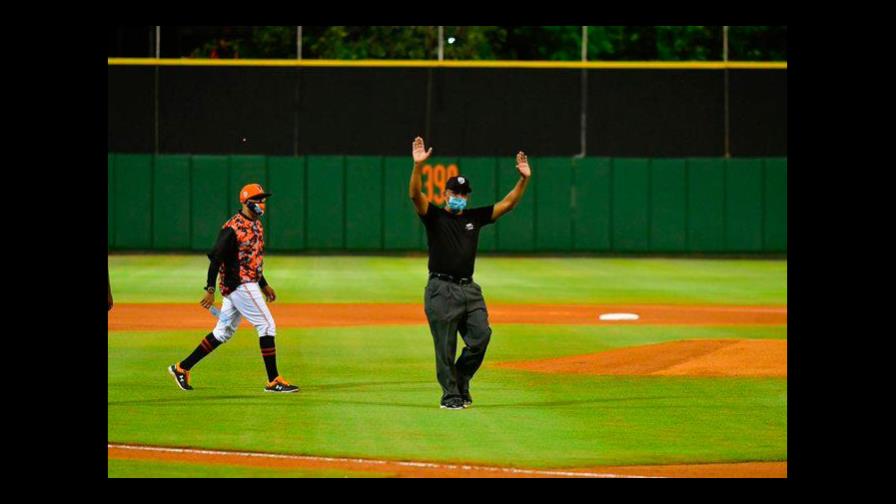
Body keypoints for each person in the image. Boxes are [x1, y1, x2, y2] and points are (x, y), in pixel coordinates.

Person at [408, 136, 532, 409]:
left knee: (481, 337)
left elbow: (508, 204)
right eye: (455, 193)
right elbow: (415, 195)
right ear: (445, 194)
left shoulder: (474, 218)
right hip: (441, 289)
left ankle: (460, 379)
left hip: (469, 289)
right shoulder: (435, 216)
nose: (459, 198)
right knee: (445, 348)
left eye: (463, 194)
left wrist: (523, 179)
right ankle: (450, 395)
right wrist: (417, 166)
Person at [168, 183, 298, 393]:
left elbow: (250, 261)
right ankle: (274, 380)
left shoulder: (256, 224)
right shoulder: (232, 228)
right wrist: (210, 289)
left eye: (263, 199)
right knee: (266, 325)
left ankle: (182, 368)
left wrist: (264, 284)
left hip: (246, 282)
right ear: (246, 202)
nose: (262, 203)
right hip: (239, 285)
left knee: (223, 332)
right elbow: (215, 259)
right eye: (258, 200)